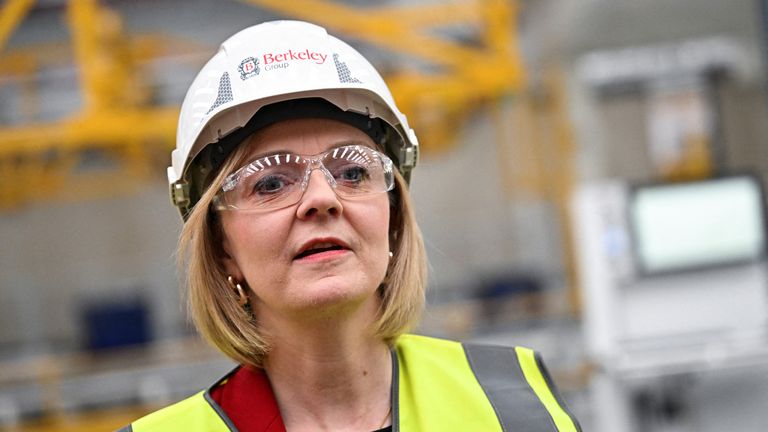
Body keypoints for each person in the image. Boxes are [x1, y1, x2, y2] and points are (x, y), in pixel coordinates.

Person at [121, 20, 581, 432]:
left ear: (393, 217)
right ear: (222, 248)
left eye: (354, 171)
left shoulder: (512, 408)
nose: (322, 198)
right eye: (271, 182)